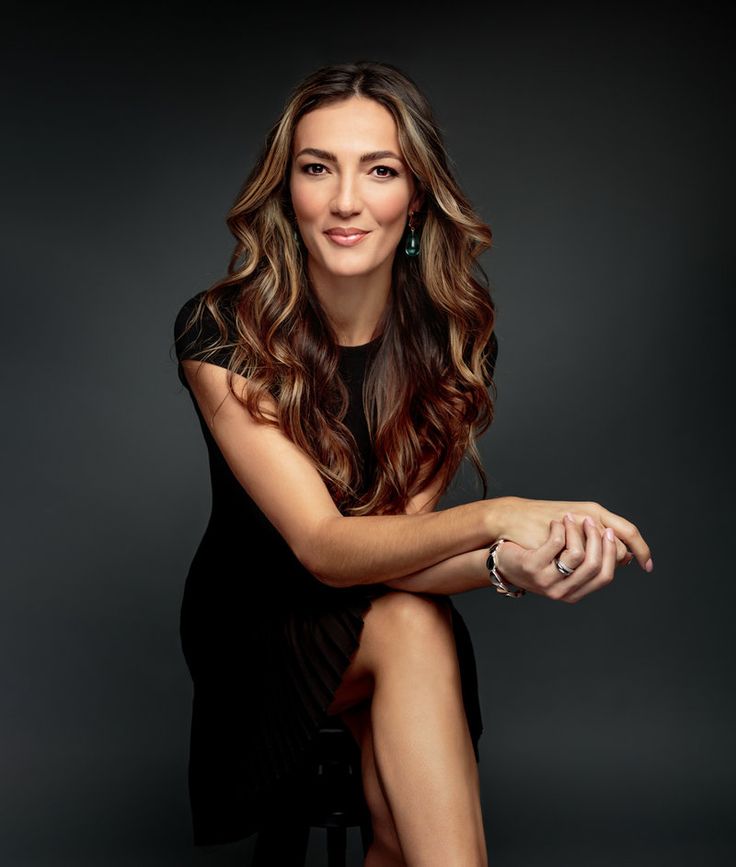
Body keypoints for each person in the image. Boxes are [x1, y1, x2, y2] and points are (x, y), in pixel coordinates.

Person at [172, 60, 652, 866]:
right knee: (412, 630)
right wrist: (503, 515)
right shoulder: (223, 330)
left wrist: (511, 565)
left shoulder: (454, 340)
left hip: (382, 609)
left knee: (408, 649)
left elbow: (405, 553)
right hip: (253, 628)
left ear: (417, 197)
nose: (346, 200)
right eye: (317, 168)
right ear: (287, 190)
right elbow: (326, 548)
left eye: (381, 170)